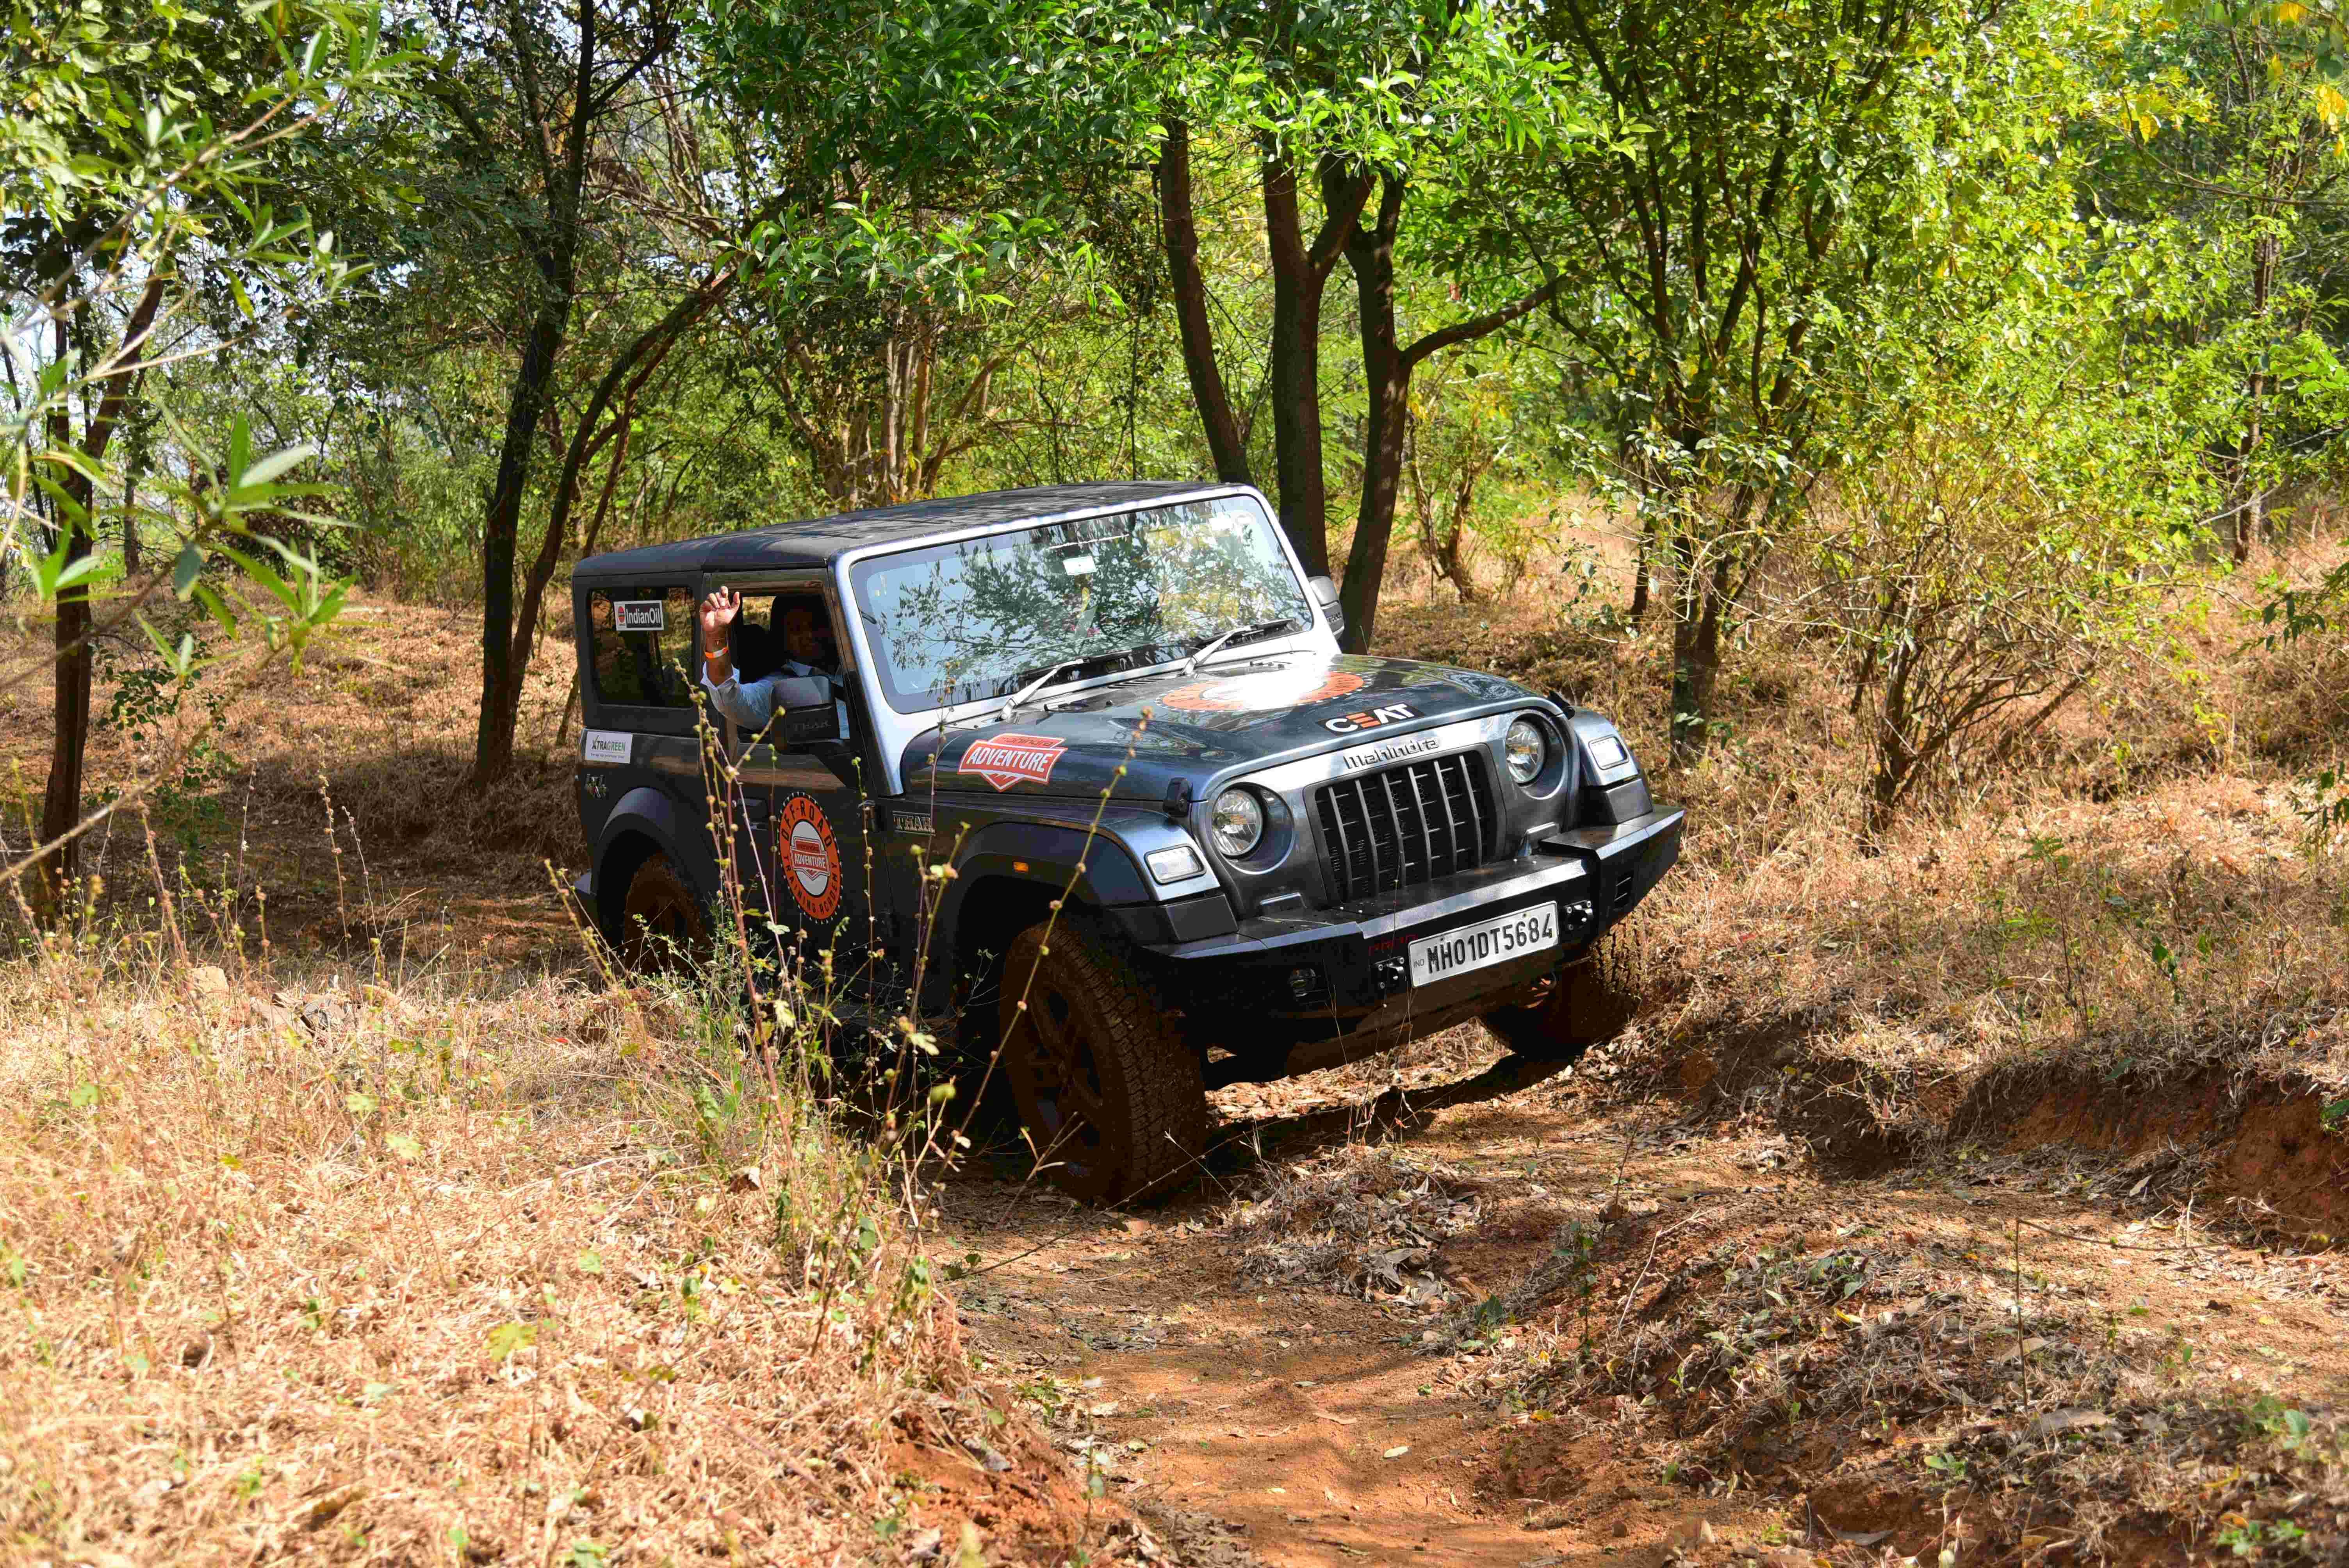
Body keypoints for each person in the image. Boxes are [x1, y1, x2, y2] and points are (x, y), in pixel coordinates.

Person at [698, 588, 847, 737]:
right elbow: (731, 699)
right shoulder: (778, 689)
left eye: (816, 626)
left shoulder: (856, 666)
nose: (809, 635)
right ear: (783, 637)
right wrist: (716, 637)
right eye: (797, 629)